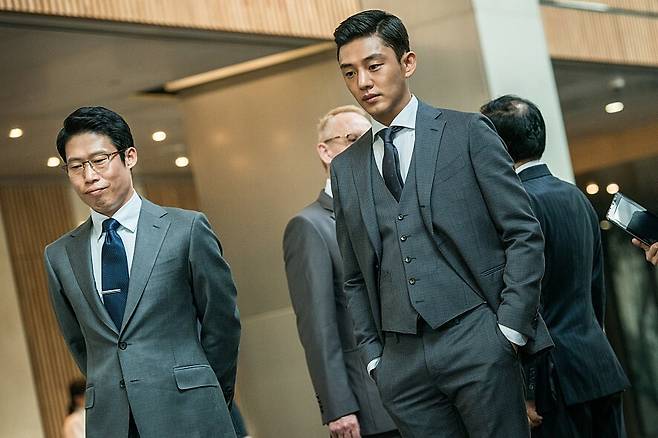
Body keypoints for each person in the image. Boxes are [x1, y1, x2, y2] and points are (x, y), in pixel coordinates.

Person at [330, 10, 553, 438]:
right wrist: (375, 358)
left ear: (407, 63)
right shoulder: (346, 169)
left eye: (374, 66)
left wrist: (508, 329)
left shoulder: (467, 132)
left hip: (478, 339)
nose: (363, 82)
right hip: (401, 363)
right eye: (350, 73)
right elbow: (354, 275)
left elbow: (523, 233)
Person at [45, 106, 241, 438]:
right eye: (76, 166)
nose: (89, 176)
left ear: (129, 156)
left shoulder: (186, 229)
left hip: (191, 414)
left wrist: (207, 395)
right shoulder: (59, 255)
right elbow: (79, 343)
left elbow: (222, 324)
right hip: (113, 423)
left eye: (99, 160)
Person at [481, 95, 630, 438]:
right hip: (599, 365)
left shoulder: (515, 205)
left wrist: (527, 387)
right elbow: (596, 290)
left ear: (497, 147)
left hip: (554, 380)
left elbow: (527, 302)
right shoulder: (576, 195)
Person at [283, 105, 399, 438]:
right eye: (350, 139)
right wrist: (339, 407)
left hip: (421, 391)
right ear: (325, 151)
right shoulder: (309, 226)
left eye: (367, 138)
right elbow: (318, 327)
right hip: (370, 404)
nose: (362, 147)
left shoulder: (392, 207)